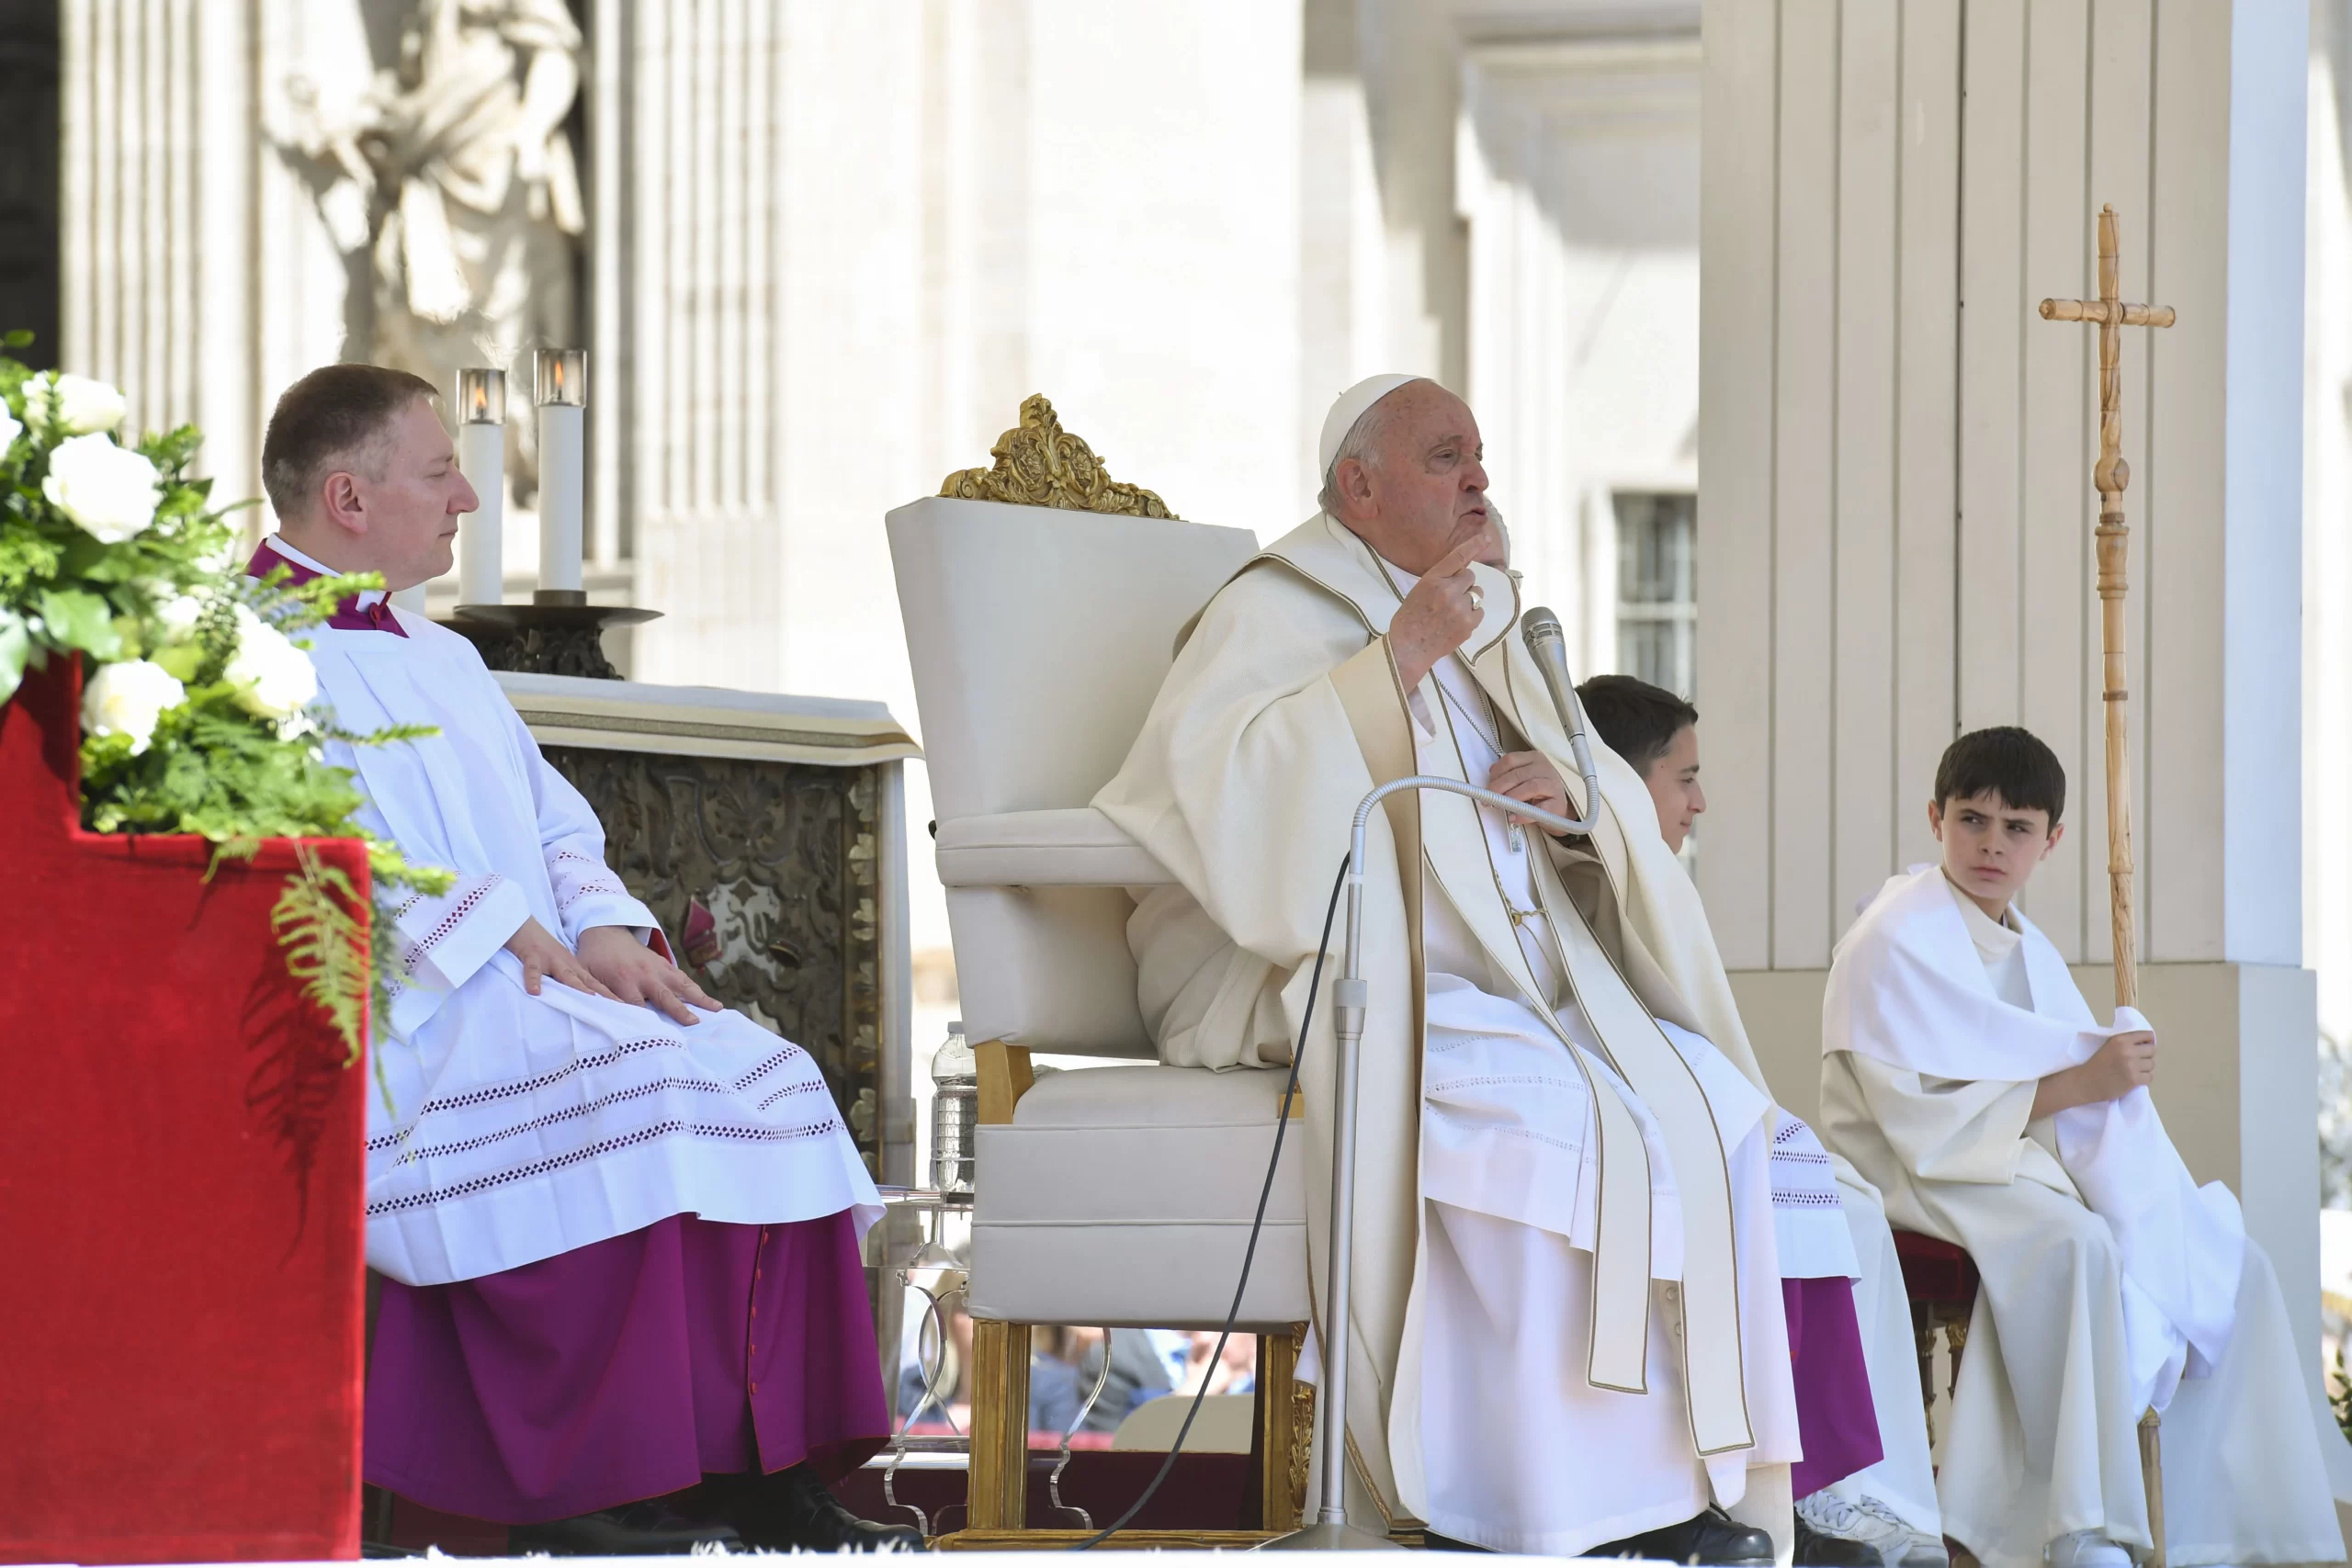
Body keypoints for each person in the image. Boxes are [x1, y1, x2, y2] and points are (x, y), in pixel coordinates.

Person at [1095, 374, 1871, 1559]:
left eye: (1479, 458)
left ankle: (1710, 1491)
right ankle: (1548, 1510)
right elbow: (1226, 801)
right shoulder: (1271, 611)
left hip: (1515, 976)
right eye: (1444, 456)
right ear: (1357, 486)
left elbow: (1587, 771)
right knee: (1548, 1112)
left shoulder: (1484, 610)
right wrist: (1390, 666)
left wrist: (1573, 793)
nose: (1479, 480)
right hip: (1353, 976)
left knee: (1713, 1105)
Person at [250, 364, 920, 1553]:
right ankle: (596, 1482)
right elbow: (297, 842)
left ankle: (761, 1470)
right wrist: (502, 929)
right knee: (644, 1089)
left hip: (526, 980)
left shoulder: (444, 656)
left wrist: (604, 924)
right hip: (405, 1012)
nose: (466, 493)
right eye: (437, 468)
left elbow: (557, 820)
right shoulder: (249, 647)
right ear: (348, 499)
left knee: (770, 1070)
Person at [1820, 727, 2345, 1568]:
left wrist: (2110, 1073)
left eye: (2017, 827)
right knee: (2075, 1243)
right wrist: (2087, 1083)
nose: (1993, 843)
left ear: (2051, 839)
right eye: (1973, 819)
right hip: (1907, 1163)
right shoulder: (1894, 936)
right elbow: (1918, 1119)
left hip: (1999, 1155)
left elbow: (2053, 1080)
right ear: (1935, 818)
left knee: (2218, 1257)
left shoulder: (2026, 947)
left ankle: (2206, 1525)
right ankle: (2082, 1526)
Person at [1579, 674, 1945, 1568]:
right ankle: (1776, 1495)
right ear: (1625, 785)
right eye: (1683, 778)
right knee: (1803, 1204)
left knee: (1840, 1207)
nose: (1699, 802)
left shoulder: (1643, 872)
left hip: (1667, 1110)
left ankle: (1815, 1491)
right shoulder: (1589, 867)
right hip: (1612, 1122)